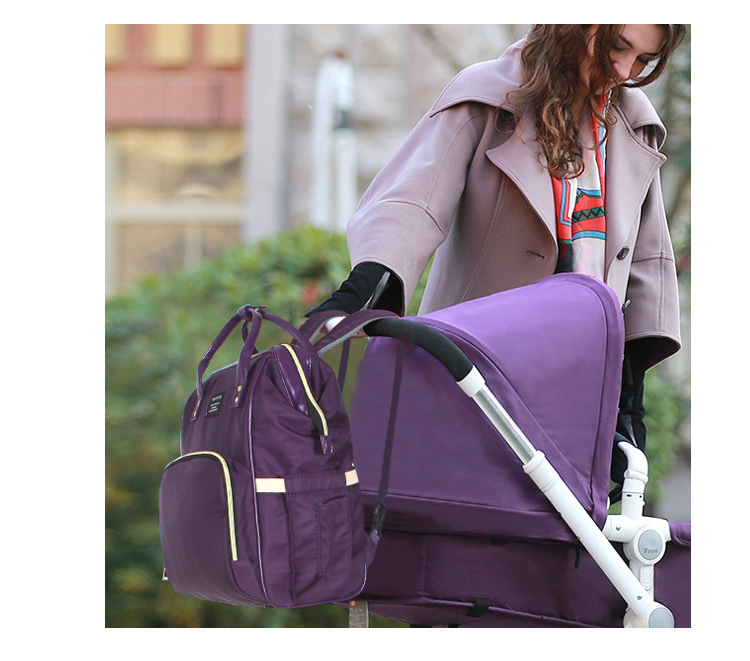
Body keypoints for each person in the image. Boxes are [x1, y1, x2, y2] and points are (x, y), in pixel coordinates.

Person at [309, 24, 687, 496]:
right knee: (458, 523)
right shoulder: (489, 95)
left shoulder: (634, 126)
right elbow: (414, 200)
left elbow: (647, 262)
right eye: (617, 47)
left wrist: (628, 392)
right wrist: (370, 280)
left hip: (578, 403)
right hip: (471, 380)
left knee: (549, 537)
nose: (625, 70)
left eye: (644, 60)